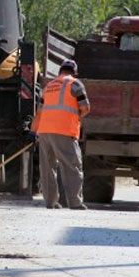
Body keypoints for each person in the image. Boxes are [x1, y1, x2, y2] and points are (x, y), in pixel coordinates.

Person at [28, 59, 90, 210]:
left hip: (44, 131)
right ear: (74, 72)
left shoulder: (48, 86)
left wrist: (32, 132)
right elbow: (85, 107)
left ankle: (50, 202)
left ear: (60, 71)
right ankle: (75, 202)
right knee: (72, 166)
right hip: (64, 130)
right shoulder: (75, 84)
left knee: (47, 167)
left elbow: (40, 113)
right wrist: (76, 117)